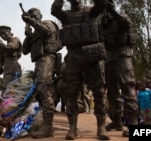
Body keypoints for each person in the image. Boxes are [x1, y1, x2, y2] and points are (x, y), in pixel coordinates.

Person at [51, 0, 110, 140]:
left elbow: (102, 4)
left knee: (99, 91)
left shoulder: (91, 11)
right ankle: (72, 128)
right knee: (71, 92)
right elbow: (54, 10)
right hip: (73, 56)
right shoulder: (65, 15)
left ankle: (101, 127)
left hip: (91, 54)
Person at [21, 7, 62, 138]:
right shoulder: (34, 32)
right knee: (41, 89)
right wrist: (28, 35)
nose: (33, 17)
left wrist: (31, 22)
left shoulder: (47, 23)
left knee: (43, 87)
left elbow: (46, 32)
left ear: (40, 15)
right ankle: (46, 124)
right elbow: (25, 50)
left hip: (48, 58)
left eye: (35, 15)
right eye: (31, 16)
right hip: (39, 61)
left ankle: (48, 127)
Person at [101, 1, 139, 137]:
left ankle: (134, 125)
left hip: (123, 56)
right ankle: (117, 121)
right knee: (112, 93)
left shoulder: (121, 17)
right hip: (109, 58)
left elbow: (127, 24)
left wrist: (112, 11)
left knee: (127, 89)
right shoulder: (103, 26)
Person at [0, 25, 22, 95]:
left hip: (14, 68)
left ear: (9, 32)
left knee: (11, 91)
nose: (3, 36)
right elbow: (1, 61)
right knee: (5, 91)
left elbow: (9, 49)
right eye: (0, 35)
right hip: (7, 70)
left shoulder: (15, 39)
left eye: (4, 33)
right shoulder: (4, 45)